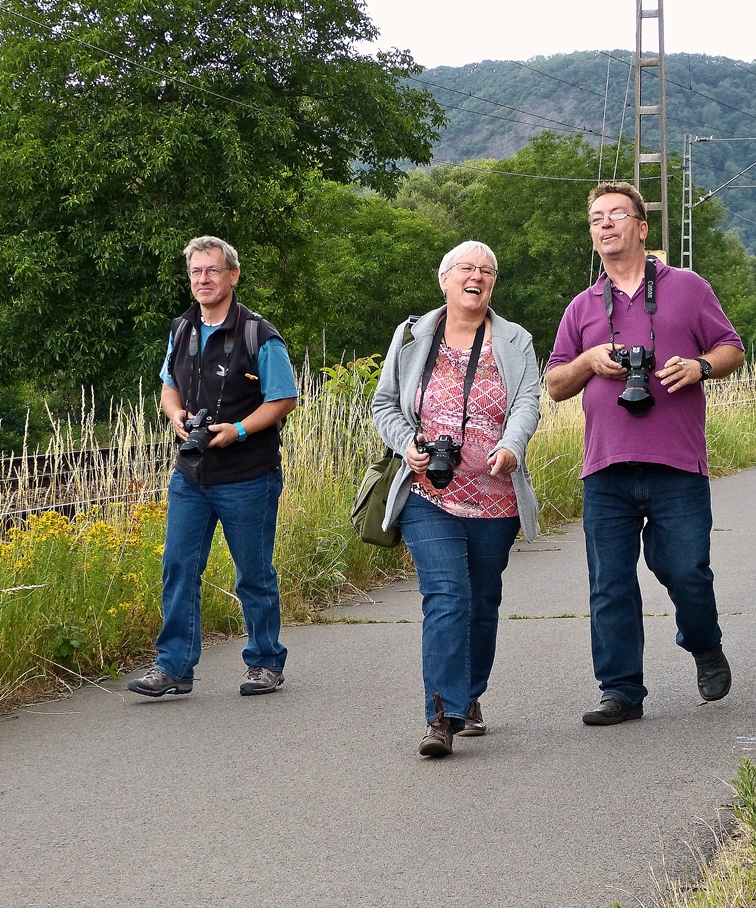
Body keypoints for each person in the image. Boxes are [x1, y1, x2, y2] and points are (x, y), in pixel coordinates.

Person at [546, 182, 744, 726]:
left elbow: (732, 348)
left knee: (686, 570)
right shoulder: (583, 306)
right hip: (605, 467)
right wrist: (588, 361)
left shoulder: (688, 288)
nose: (605, 224)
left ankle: (704, 643)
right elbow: (556, 383)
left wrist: (700, 366)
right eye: (595, 218)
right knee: (609, 583)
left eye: (616, 215)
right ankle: (621, 691)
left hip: (677, 465)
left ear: (642, 226)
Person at [372, 240, 541, 757]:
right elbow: (384, 404)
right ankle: (441, 716)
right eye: (466, 268)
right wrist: (408, 445)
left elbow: (528, 400)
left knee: (482, 601)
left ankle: (469, 695)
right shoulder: (411, 336)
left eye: (486, 271)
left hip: (496, 498)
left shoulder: (514, 340)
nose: (476, 277)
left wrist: (512, 447)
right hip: (429, 492)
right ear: (444, 279)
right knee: (447, 595)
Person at [128, 236, 297, 699]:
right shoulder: (181, 329)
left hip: (249, 475)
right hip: (191, 474)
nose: (204, 280)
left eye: (213, 271)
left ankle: (265, 662)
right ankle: (174, 667)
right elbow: (167, 387)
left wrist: (238, 430)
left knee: (253, 572)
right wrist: (176, 416)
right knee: (179, 566)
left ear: (233, 276)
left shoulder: (258, 335)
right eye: (196, 272)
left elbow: (284, 398)